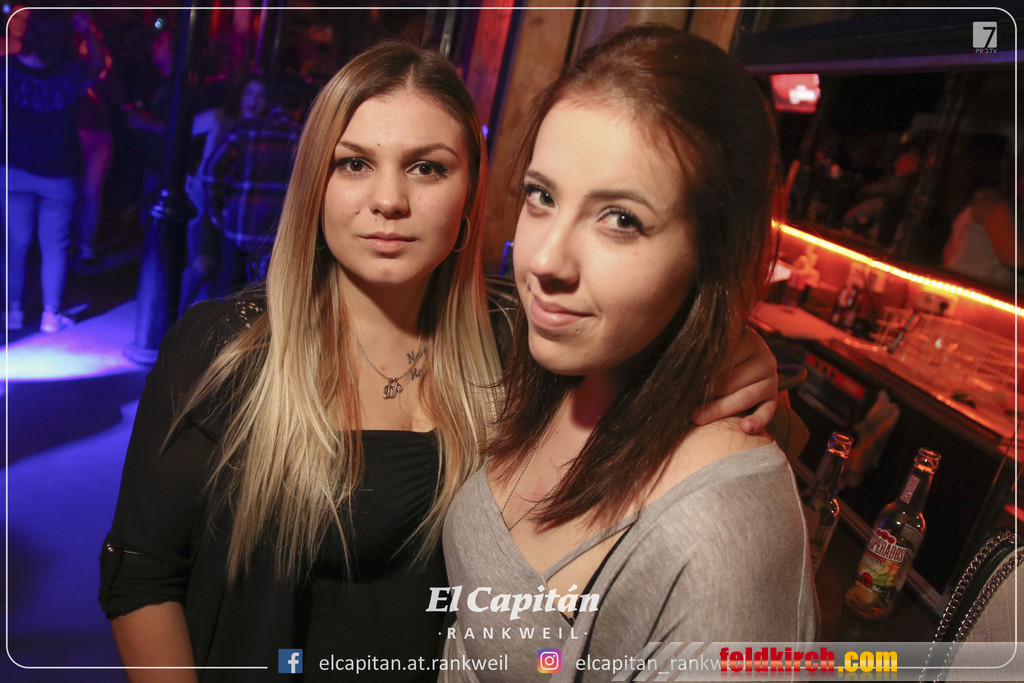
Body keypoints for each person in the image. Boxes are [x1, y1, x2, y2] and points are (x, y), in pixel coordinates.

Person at [99, 40, 780, 682]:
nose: (388, 201)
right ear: (314, 184)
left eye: (427, 167)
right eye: (353, 163)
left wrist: (735, 351)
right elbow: (141, 575)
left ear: (470, 193)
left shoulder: (521, 341)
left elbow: (652, 341)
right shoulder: (225, 352)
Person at [441, 26, 816, 681]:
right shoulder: (548, 361)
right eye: (542, 195)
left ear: (714, 250)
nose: (545, 260)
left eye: (620, 218)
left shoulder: (721, 540)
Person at [3, 9, 102, 332]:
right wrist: (88, 31)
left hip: (13, 170)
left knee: (14, 246)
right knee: (54, 247)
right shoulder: (71, 74)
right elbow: (98, 64)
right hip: (58, 175)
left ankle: (14, 312)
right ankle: (50, 315)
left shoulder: (6, 70)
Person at [201, 78, 301, 298]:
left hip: (239, 226)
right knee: (262, 298)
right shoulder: (301, 136)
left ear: (269, 102)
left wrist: (218, 212)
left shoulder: (246, 129)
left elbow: (210, 173)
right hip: (277, 232)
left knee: (226, 292)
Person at [179, 75, 269, 313]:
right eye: (249, 93)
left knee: (224, 272)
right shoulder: (221, 118)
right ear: (239, 96)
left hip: (236, 212)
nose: (253, 101)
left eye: (260, 96)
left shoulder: (265, 130)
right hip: (208, 202)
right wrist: (185, 173)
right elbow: (179, 132)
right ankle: (170, 319)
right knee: (202, 263)